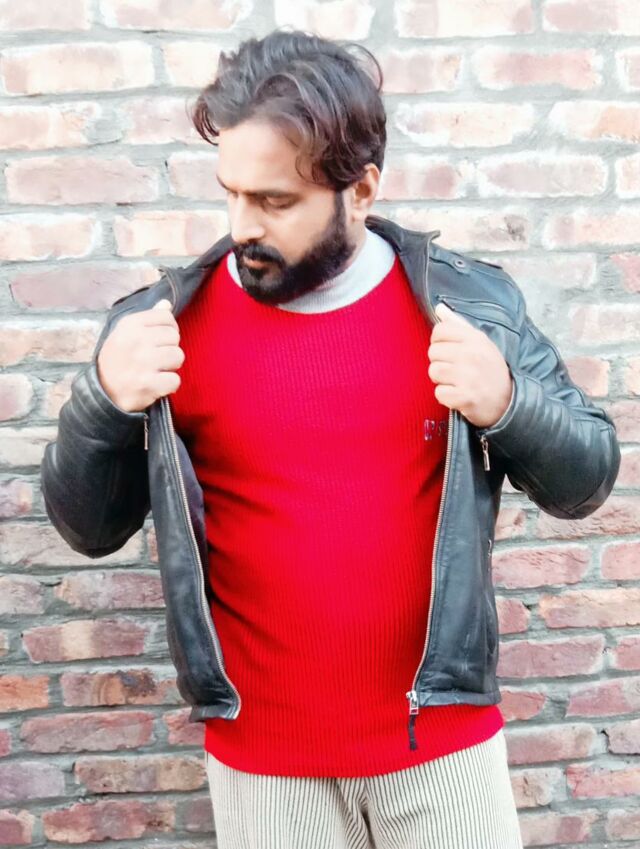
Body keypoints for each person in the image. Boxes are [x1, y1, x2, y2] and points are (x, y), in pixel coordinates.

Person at [41, 28, 620, 849]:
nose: (243, 225)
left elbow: (587, 479)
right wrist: (103, 402)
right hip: (264, 768)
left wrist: (508, 403)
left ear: (362, 189)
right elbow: (87, 529)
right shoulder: (164, 330)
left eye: (275, 202)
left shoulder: (468, 309)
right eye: (231, 193)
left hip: (443, 747)